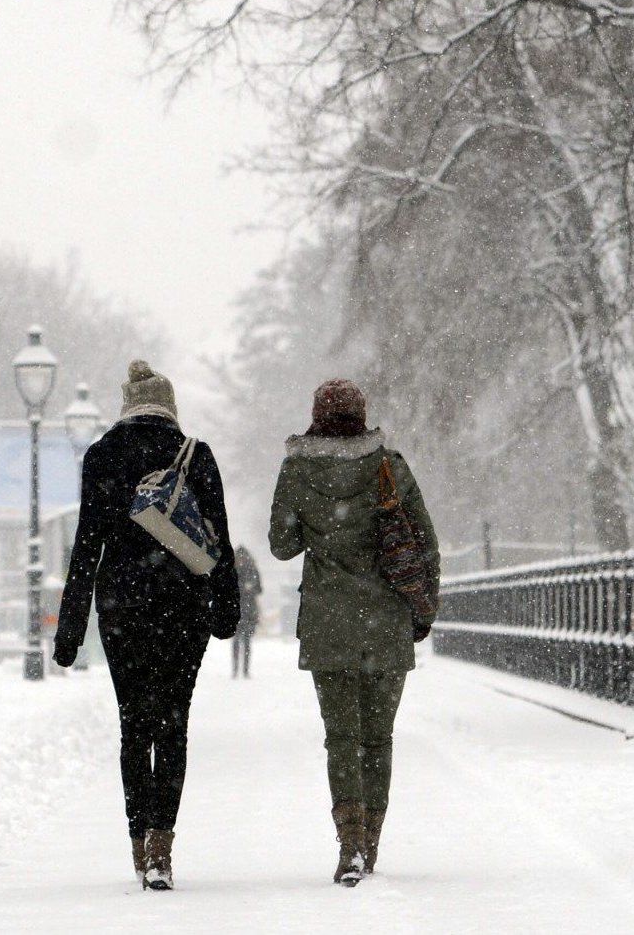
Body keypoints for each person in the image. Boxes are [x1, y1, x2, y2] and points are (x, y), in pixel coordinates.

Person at [53, 360, 240, 891]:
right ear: (170, 407)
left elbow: (87, 547)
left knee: (134, 725)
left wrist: (70, 630)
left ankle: (139, 844)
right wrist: (227, 610)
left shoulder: (102, 455)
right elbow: (218, 540)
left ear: (127, 404)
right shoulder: (195, 455)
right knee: (174, 721)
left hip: (123, 610)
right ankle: (163, 842)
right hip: (184, 609)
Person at [269, 378, 438, 886]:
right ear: (361, 414)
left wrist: (318, 528)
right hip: (386, 620)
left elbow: (281, 544)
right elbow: (424, 541)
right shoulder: (390, 465)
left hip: (327, 623)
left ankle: (350, 844)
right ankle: (372, 842)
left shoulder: (298, 468)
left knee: (341, 737)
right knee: (378, 739)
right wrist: (424, 608)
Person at [232, 545, 262, 678]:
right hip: (244, 609)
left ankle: (242, 670)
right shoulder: (251, 569)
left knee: (242, 641)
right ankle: (239, 670)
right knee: (241, 641)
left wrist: (249, 588)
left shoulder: (235, 569)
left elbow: (259, 589)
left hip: (243, 610)